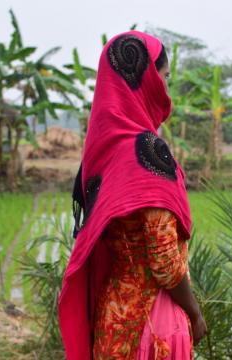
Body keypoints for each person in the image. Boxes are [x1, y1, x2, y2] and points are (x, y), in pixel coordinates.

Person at [58, 30, 206, 360]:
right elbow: (165, 262)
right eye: (164, 78)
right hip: (153, 326)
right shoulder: (148, 152)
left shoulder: (102, 154)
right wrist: (195, 313)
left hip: (113, 316)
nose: (166, 90)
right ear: (149, 81)